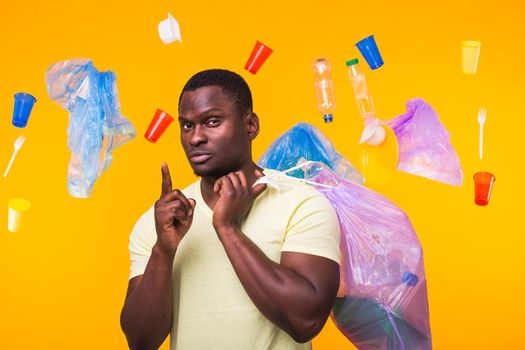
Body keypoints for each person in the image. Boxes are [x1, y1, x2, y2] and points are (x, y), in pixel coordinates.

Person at [120, 69, 341, 350]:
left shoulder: (303, 204)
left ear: (250, 126)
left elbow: (305, 321)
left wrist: (227, 228)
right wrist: (163, 251)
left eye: (212, 121)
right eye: (186, 126)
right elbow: (140, 341)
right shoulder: (163, 222)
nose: (195, 137)